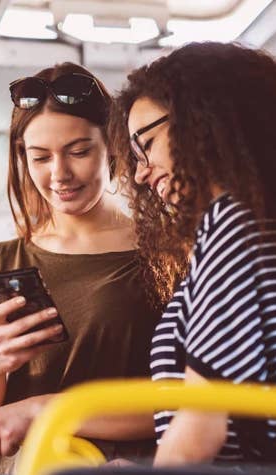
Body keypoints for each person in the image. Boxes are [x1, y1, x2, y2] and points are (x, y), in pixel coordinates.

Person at [0, 62, 161, 473]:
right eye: (40, 157)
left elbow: (181, 402)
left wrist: (45, 410)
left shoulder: (161, 255)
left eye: (78, 152)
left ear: (111, 146)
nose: (59, 174)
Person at [113, 41, 276, 467]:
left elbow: (205, 425)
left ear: (203, 120)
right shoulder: (262, 220)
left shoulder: (231, 222)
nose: (142, 172)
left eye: (147, 144)